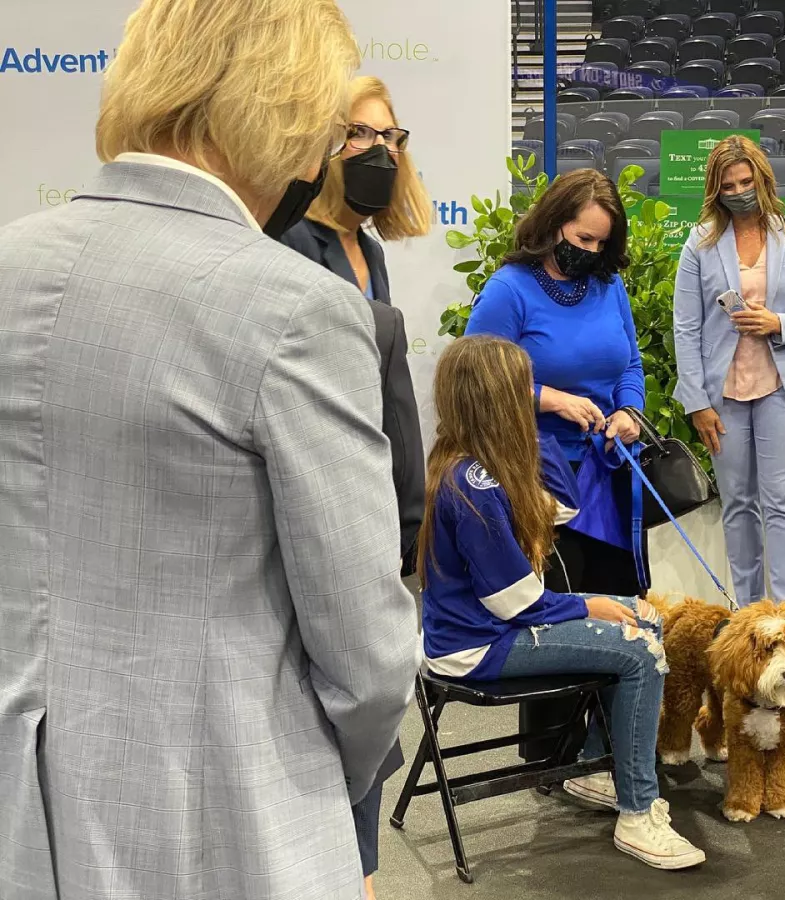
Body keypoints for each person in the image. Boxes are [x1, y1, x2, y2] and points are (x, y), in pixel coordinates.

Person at [0, 2, 420, 899]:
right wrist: (320, 792)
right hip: (221, 822)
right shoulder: (296, 309)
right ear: (293, 114)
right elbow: (368, 653)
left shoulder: (10, 264)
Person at [418, 335, 705, 871]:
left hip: (491, 628)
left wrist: (534, 438)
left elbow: (563, 507)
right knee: (638, 645)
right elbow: (514, 602)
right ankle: (638, 812)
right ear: (498, 398)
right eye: (521, 390)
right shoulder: (473, 482)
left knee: (644, 618)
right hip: (479, 645)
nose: (533, 397)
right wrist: (585, 607)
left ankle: (594, 767)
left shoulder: (485, 463)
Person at [279, 75, 430, 900]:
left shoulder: (368, 251)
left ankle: (361, 874)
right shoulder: (287, 243)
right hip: (320, 505)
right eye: (361, 137)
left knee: (372, 710)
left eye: (392, 137)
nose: (382, 153)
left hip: (379, 509)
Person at [464, 168, 646, 760]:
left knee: (617, 607)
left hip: (607, 473)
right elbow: (479, 378)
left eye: (601, 242)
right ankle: (550, 753)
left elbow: (630, 365)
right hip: (537, 480)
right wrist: (550, 398)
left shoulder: (607, 286)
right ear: (552, 224)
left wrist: (628, 412)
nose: (590, 251)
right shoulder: (509, 289)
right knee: (559, 613)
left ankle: (607, 749)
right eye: (582, 237)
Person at [672, 135, 785, 607]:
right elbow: (685, 327)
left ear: (763, 180)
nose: (740, 191)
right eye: (729, 185)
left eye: (747, 181)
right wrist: (696, 401)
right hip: (721, 395)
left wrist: (779, 323)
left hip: (783, 390)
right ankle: (746, 614)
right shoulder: (698, 245)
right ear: (716, 190)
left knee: (783, 503)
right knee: (738, 506)